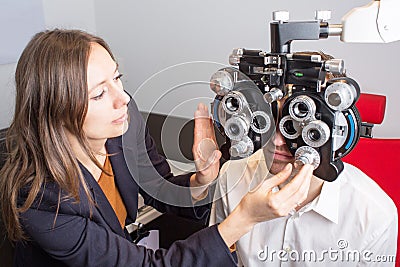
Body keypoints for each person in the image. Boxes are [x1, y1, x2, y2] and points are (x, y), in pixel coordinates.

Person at [0, 29, 313, 267]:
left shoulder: (121, 121)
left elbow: (156, 185)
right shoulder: (40, 197)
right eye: (98, 94)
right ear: (57, 110)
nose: (122, 98)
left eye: (117, 78)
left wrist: (199, 181)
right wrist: (244, 218)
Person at [210, 52, 398, 266]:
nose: (278, 140)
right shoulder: (232, 176)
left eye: (294, 127)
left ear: (335, 130)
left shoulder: (374, 216)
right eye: (270, 120)